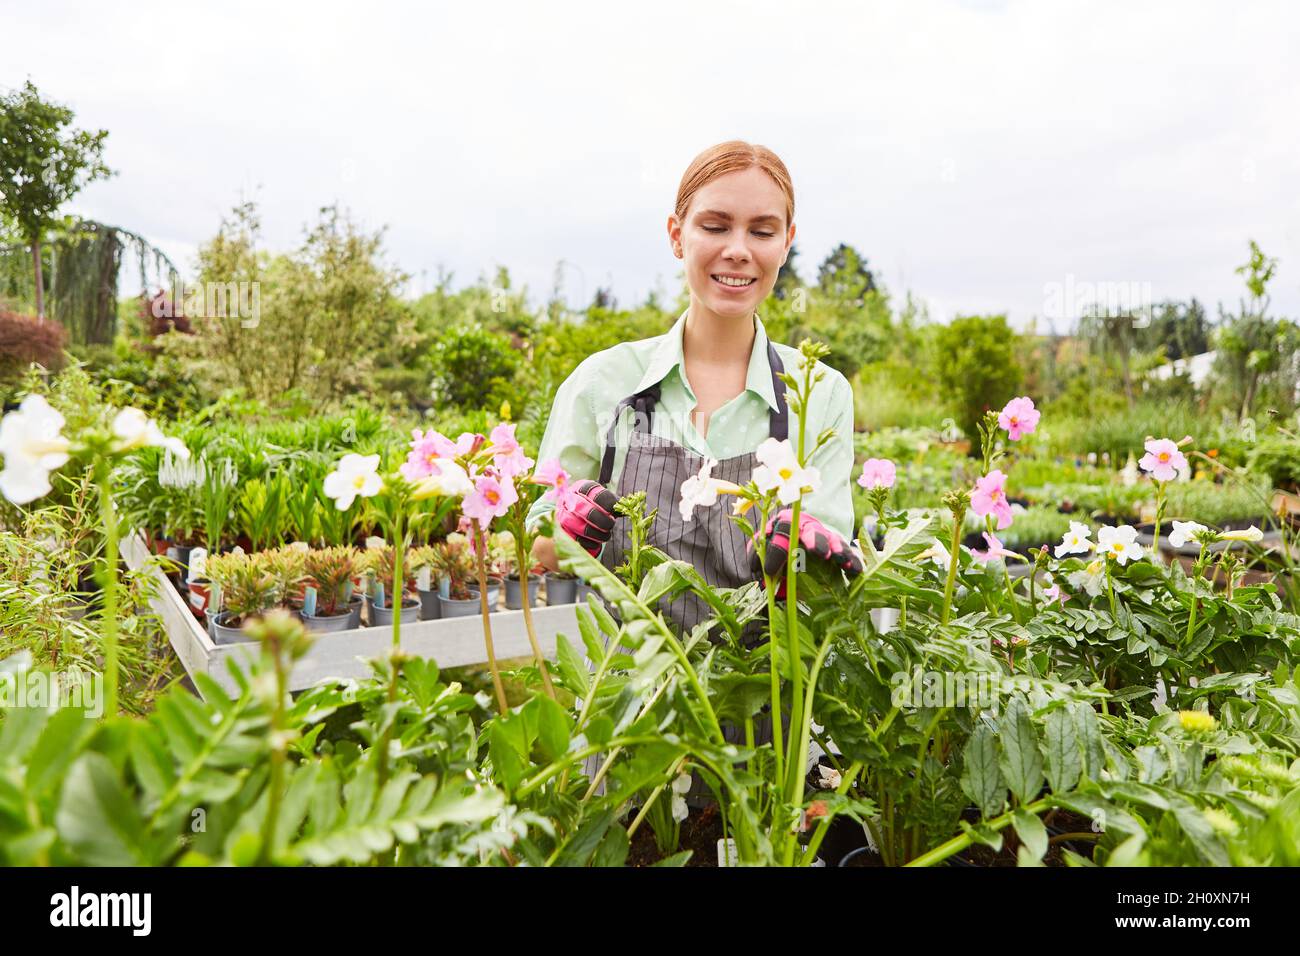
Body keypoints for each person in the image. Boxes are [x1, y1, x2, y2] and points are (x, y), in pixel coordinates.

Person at [528, 140, 861, 634]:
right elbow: (538, 545)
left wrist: (812, 554)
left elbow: (831, 561)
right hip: (630, 691)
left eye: (762, 231)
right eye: (715, 226)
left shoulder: (818, 392)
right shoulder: (603, 383)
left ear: (786, 243)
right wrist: (567, 529)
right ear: (676, 235)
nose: (738, 250)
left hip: (768, 697)